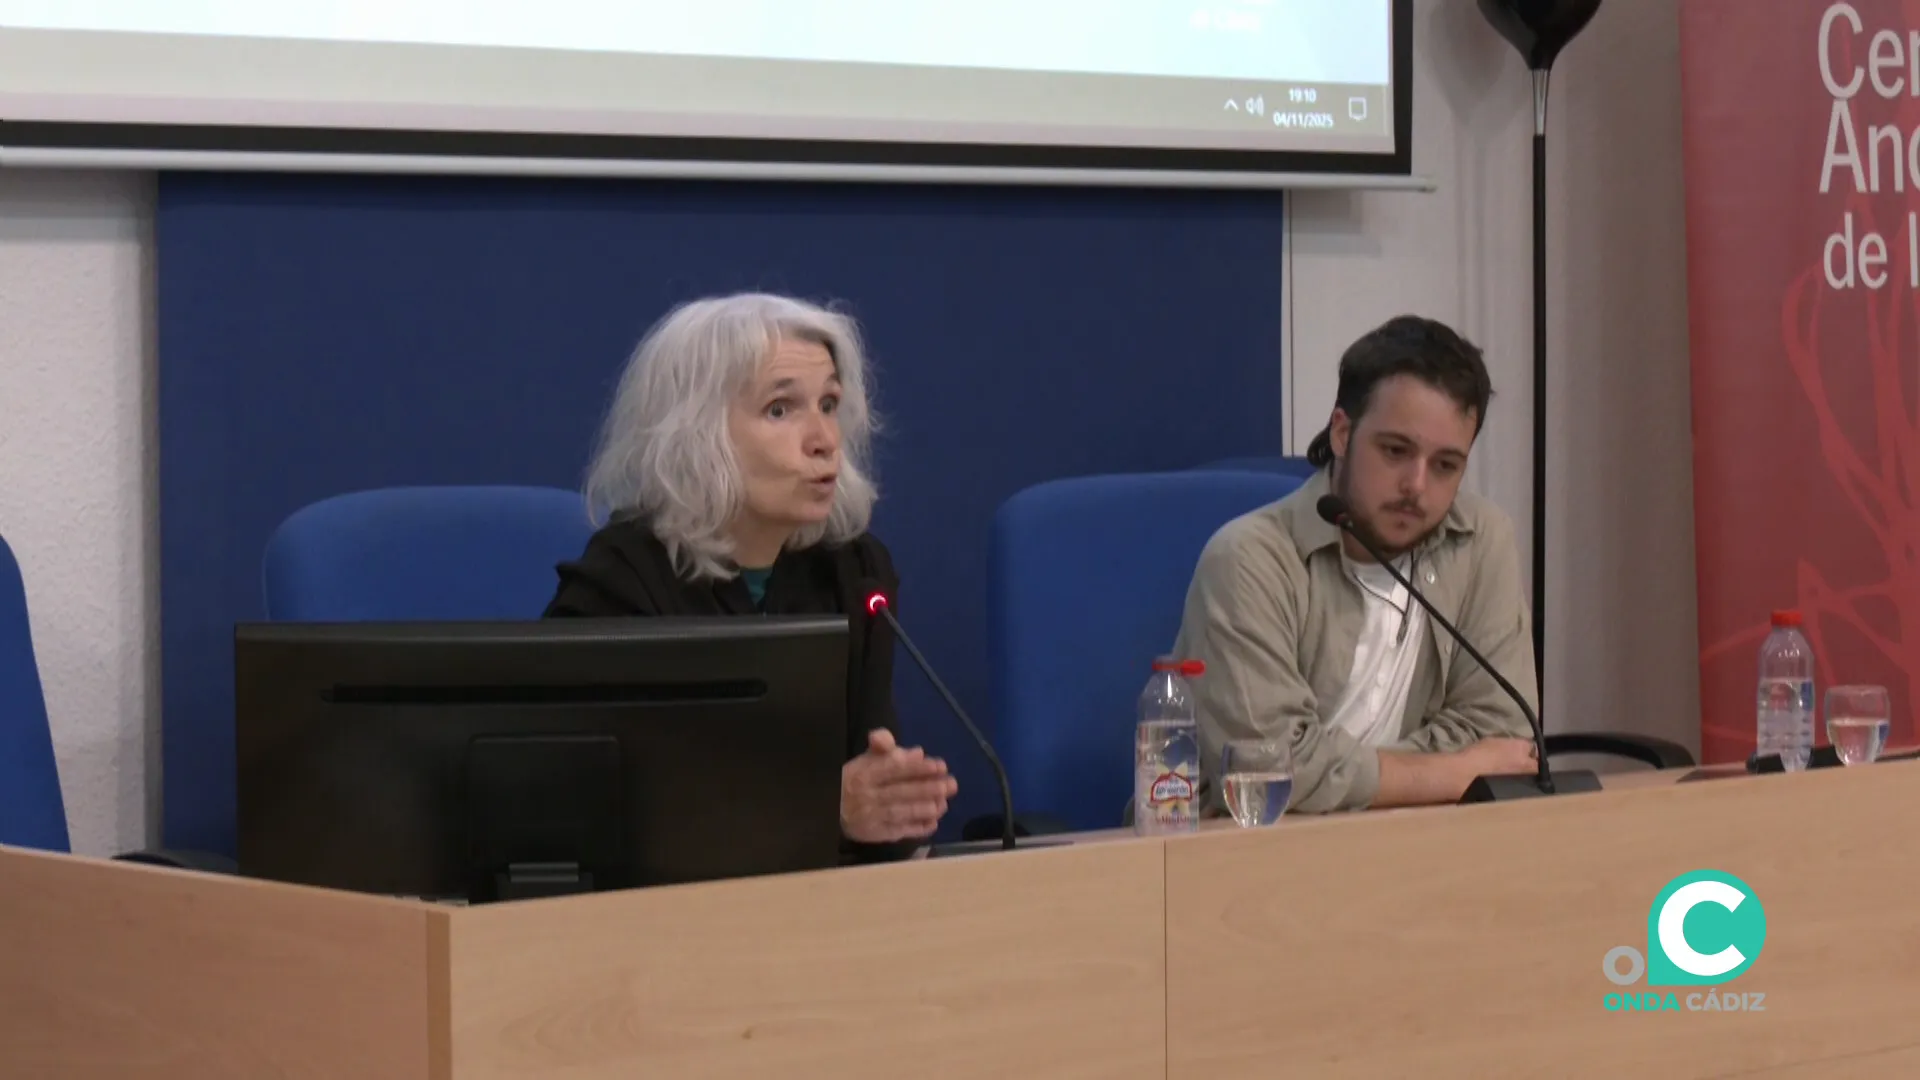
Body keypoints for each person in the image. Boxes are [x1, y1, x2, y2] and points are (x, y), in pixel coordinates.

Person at [543, 292, 957, 861]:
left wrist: (891, 809)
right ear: (696, 434)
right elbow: (602, 816)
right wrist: (822, 806)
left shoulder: (854, 572)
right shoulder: (621, 586)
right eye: (781, 410)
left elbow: (863, 805)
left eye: (830, 404)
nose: (824, 440)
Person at [1170, 315, 1539, 814]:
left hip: (1417, 844)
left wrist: (1345, 774)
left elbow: (1504, 737)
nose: (1417, 485)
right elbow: (1266, 771)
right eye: (1395, 451)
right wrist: (1454, 770)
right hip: (1244, 857)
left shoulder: (1480, 540)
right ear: (1342, 433)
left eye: (1446, 465)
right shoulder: (1248, 561)